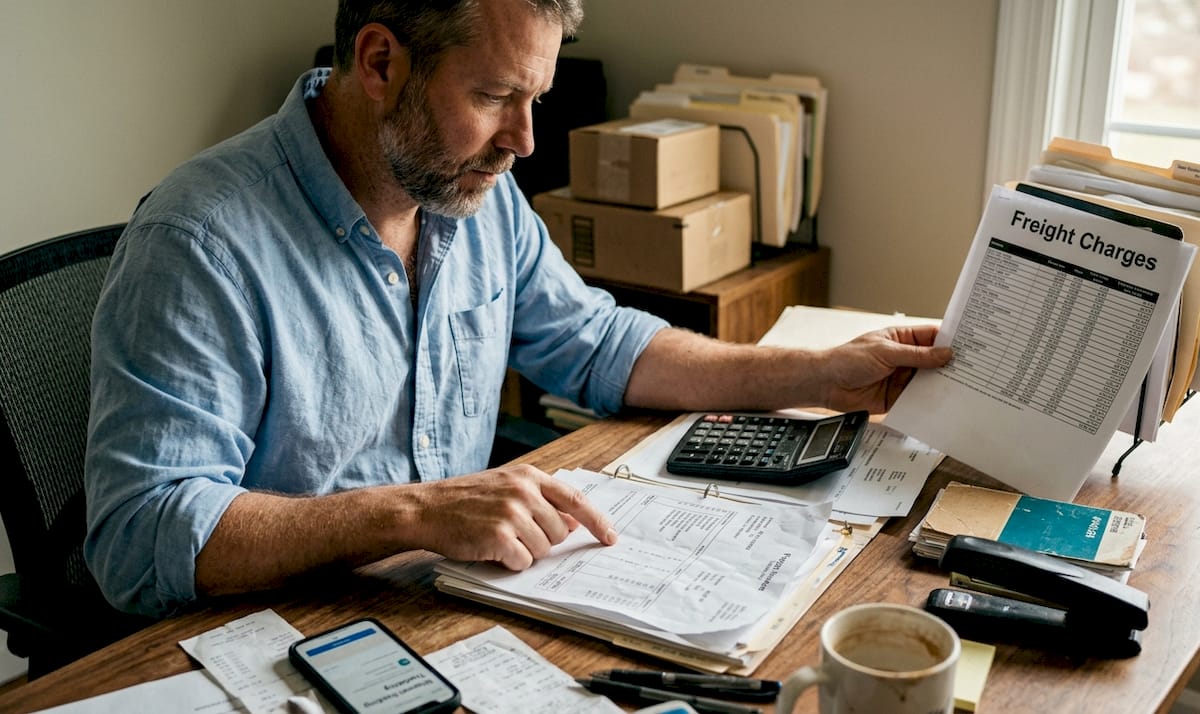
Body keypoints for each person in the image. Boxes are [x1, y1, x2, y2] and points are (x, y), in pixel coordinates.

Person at [84, 0, 951, 619]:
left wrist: (820, 373)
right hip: (277, 636)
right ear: (381, 62)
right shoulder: (201, 240)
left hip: (451, 605)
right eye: (496, 97)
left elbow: (598, 345)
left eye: (534, 97)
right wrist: (416, 512)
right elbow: (138, 533)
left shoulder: (474, 194)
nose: (525, 140)